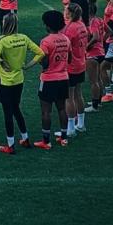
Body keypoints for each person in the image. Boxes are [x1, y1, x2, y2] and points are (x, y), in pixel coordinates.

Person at [0, 13, 44, 154]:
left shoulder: (2, 40)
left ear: (5, 24)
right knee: (16, 109)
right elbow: (40, 53)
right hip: (19, 80)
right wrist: (28, 66)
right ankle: (25, 138)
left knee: (7, 113)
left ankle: (10, 145)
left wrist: (2, 62)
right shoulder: (24, 38)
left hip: (5, 81)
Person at [34, 10, 71, 150]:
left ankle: (46, 141)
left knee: (46, 111)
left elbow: (44, 63)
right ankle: (64, 138)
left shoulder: (45, 41)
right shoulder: (66, 39)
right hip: (63, 78)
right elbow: (70, 58)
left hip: (49, 79)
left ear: (48, 26)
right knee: (62, 108)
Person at [63, 2, 89, 136]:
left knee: (69, 97)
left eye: (66, 10)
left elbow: (65, 48)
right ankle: (81, 124)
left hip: (71, 66)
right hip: (81, 63)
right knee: (79, 94)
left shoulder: (70, 28)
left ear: (70, 14)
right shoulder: (82, 25)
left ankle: (71, 128)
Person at [84, 0, 105, 113]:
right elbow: (109, 31)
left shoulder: (92, 22)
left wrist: (87, 46)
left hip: (93, 54)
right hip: (101, 52)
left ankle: (94, 106)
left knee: (94, 81)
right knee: (98, 79)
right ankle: (98, 101)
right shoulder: (100, 19)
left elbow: (96, 36)